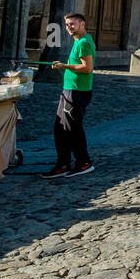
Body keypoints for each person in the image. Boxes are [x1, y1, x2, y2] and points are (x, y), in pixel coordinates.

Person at [43, 12, 96, 178]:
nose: (68, 27)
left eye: (72, 24)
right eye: (66, 24)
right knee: (60, 129)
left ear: (82, 24)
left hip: (77, 91)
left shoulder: (84, 43)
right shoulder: (79, 41)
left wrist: (64, 66)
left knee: (72, 129)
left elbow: (87, 68)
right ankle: (63, 164)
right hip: (70, 89)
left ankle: (84, 162)